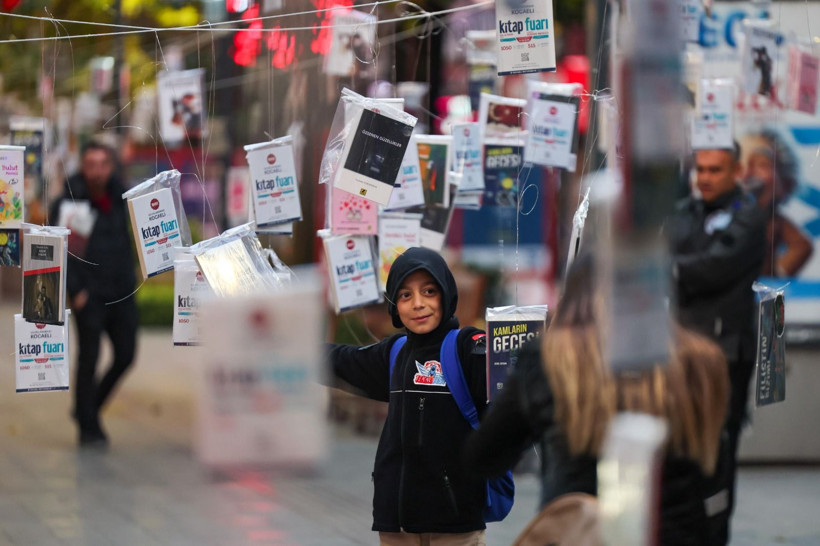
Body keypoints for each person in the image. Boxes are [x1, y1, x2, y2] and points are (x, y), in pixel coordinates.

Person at [464, 253, 729, 545]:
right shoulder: (700, 360)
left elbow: (485, 456)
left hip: (580, 533)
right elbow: (715, 475)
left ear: (573, 297)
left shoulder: (549, 360)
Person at [326, 247, 489, 545]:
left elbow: (508, 383)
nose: (418, 304)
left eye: (429, 291)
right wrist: (286, 346)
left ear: (446, 294)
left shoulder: (468, 348)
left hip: (455, 525)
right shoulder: (394, 352)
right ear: (394, 305)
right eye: (405, 295)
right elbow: (339, 360)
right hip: (396, 525)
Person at [667, 144, 766, 544]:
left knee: (719, 450)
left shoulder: (749, 216)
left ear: (737, 170)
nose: (704, 177)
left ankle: (715, 533)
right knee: (683, 449)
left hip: (726, 354)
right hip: (682, 351)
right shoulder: (684, 212)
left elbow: (714, 267)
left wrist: (670, 270)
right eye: (700, 169)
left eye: (715, 169)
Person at [50, 141, 138, 447]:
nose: (97, 171)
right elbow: (60, 250)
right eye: (91, 164)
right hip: (89, 294)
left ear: (111, 167)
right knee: (89, 357)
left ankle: (87, 409)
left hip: (122, 291)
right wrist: (76, 290)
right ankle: (88, 428)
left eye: (103, 164)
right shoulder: (70, 202)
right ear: (82, 167)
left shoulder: (123, 198)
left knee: (126, 355)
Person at [741, 130, 813, 277]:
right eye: (739, 164)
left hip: (765, 288)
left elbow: (802, 246)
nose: (747, 174)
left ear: (785, 184)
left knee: (772, 299)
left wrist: (779, 274)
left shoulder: (775, 221)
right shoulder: (730, 212)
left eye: (762, 165)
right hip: (733, 293)